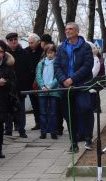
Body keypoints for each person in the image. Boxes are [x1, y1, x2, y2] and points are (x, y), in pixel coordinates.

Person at [53, 22, 94, 153]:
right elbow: (57, 66)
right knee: (69, 115)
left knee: (86, 109)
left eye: (70, 29)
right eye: (66, 29)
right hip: (65, 87)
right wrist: (63, 80)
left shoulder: (85, 47)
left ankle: (88, 138)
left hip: (81, 85)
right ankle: (74, 142)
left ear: (77, 31)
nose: (67, 31)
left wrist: (72, 79)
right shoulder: (60, 48)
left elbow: (87, 66)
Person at [4, 32, 30, 138]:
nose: (14, 41)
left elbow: (28, 70)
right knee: (8, 109)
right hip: (8, 86)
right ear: (8, 42)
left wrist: (25, 85)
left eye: (15, 39)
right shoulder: (5, 54)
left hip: (20, 86)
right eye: (11, 40)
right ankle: (8, 129)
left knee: (20, 109)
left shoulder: (24, 53)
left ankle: (21, 129)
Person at [36, 43, 60, 139]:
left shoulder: (57, 63)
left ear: (55, 53)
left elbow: (58, 76)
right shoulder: (41, 63)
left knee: (53, 113)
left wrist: (50, 86)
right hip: (42, 91)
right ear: (45, 53)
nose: (50, 55)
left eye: (52, 52)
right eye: (48, 53)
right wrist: (43, 87)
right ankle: (43, 132)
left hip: (54, 91)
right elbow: (38, 76)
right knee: (43, 112)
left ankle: (53, 131)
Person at [26, 33, 43, 130]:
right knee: (34, 104)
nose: (30, 45)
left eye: (32, 43)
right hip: (30, 82)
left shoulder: (42, 52)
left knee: (42, 103)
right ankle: (37, 122)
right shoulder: (26, 51)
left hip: (40, 81)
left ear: (38, 42)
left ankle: (45, 122)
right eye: (29, 43)